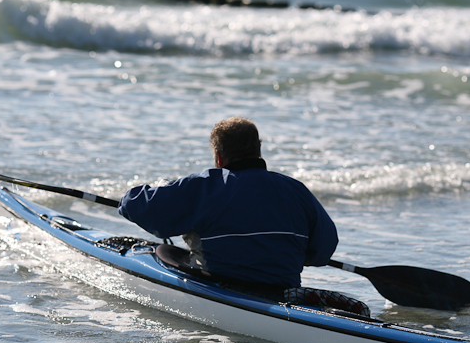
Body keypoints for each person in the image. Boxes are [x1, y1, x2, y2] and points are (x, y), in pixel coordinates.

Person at [117, 116, 338, 289]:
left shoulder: (205, 186)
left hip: (221, 286)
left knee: (166, 251)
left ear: (219, 157)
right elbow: (323, 251)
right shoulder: (297, 190)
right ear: (257, 150)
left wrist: (163, 187)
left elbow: (134, 204)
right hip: (282, 291)